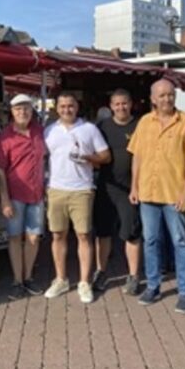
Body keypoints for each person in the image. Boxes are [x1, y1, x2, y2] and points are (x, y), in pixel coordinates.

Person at [128, 79, 185, 313]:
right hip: (148, 192)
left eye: (170, 94)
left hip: (173, 193)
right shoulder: (145, 122)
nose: (167, 99)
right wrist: (134, 186)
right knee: (150, 240)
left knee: (181, 241)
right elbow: (136, 156)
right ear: (153, 99)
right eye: (162, 95)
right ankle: (153, 286)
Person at [44, 92, 110, 304]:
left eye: (70, 106)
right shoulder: (49, 130)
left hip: (82, 189)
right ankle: (61, 279)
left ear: (77, 107)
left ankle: (84, 282)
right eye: (62, 106)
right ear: (57, 107)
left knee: (83, 236)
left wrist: (87, 157)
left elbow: (105, 156)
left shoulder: (89, 129)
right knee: (58, 235)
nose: (66, 110)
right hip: (56, 189)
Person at [0, 94, 46, 300]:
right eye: (18, 109)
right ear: (12, 112)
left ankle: (28, 276)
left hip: (37, 194)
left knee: (33, 237)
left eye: (26, 108)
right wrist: (4, 198)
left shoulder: (40, 132)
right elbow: (0, 169)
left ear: (31, 110)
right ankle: (17, 280)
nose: (22, 112)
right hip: (15, 194)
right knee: (15, 237)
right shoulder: (5, 137)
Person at [92, 89, 142, 295]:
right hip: (106, 187)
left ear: (131, 104)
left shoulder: (141, 125)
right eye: (117, 104)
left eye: (124, 103)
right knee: (103, 232)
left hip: (130, 189)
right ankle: (101, 271)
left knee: (131, 233)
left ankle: (133, 276)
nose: (121, 107)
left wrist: (138, 186)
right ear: (111, 106)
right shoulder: (101, 127)